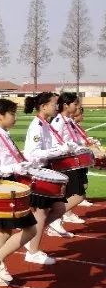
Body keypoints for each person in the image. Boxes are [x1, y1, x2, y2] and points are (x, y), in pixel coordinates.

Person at [0, 99, 37, 286]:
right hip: (3, 187)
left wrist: (22, 164)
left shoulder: (3, 134)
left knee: (6, 231)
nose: (15, 117)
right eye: (12, 114)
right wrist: (15, 168)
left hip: (11, 184)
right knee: (21, 230)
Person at [22, 92, 70, 265]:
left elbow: (50, 146)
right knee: (41, 214)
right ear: (43, 107)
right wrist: (58, 151)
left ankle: (29, 235)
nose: (56, 107)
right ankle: (32, 251)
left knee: (59, 208)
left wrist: (64, 147)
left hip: (46, 170)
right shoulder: (37, 126)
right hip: (38, 171)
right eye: (53, 104)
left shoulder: (46, 124)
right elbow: (33, 154)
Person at [47, 92, 88, 235]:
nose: (77, 107)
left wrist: (84, 145)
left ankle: (56, 220)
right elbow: (54, 144)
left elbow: (73, 140)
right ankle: (53, 220)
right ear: (65, 105)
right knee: (77, 195)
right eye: (75, 104)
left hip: (71, 161)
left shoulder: (67, 121)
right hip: (63, 162)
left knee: (77, 193)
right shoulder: (58, 122)